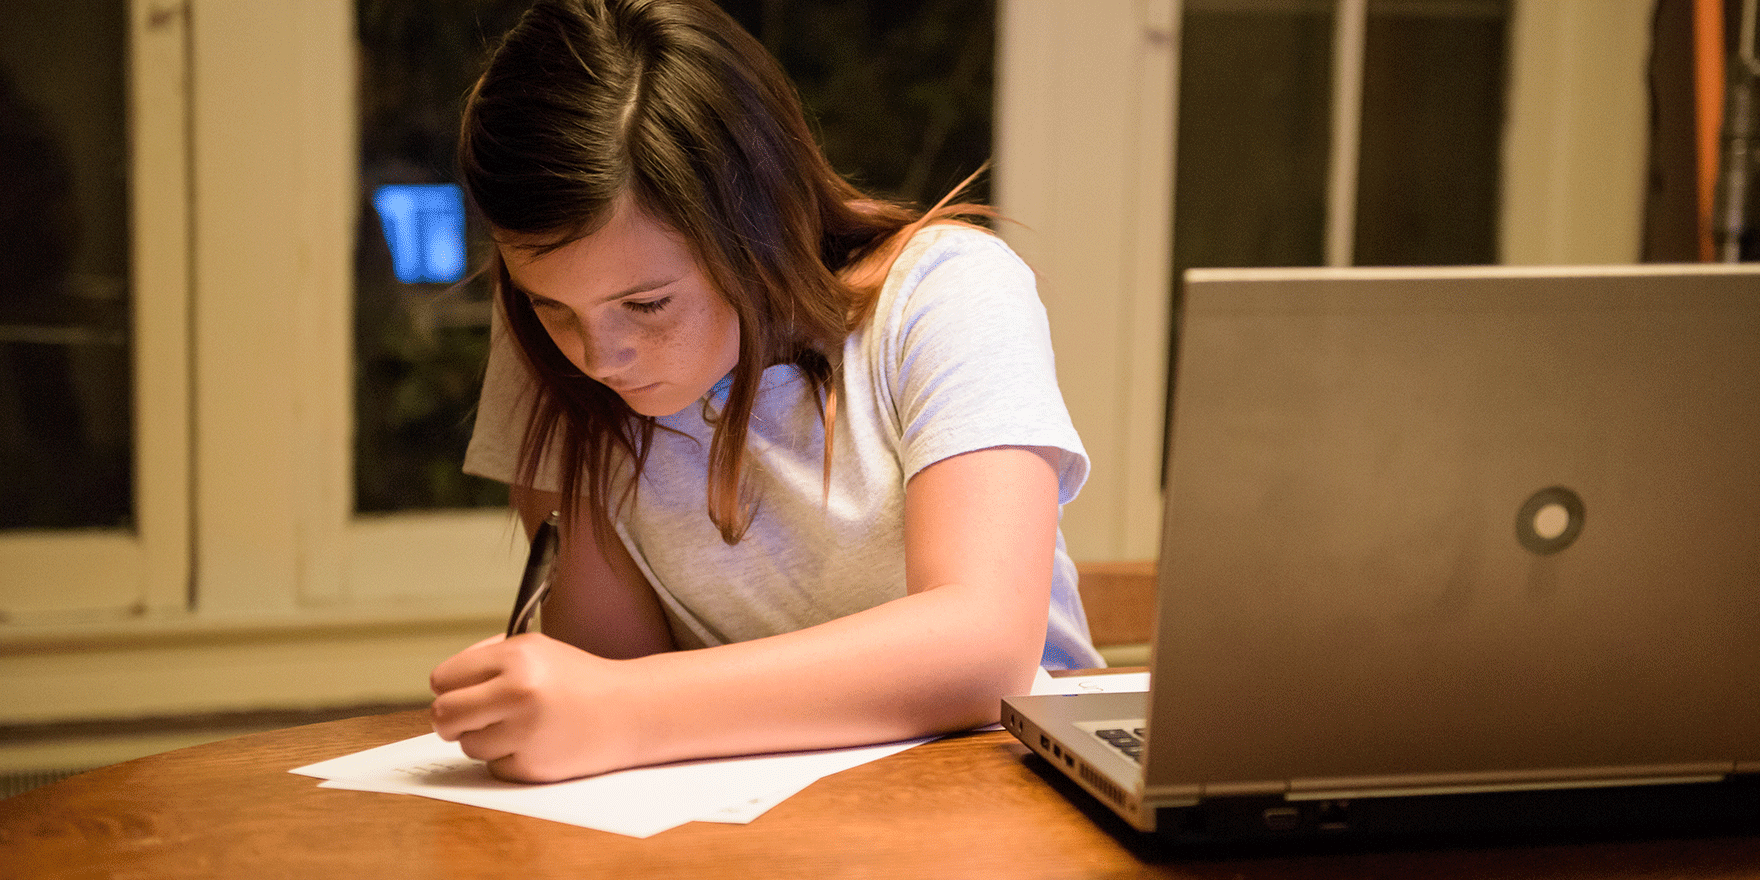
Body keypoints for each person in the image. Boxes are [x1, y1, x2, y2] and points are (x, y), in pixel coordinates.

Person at [428, 0, 1100, 783]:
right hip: (757, 808)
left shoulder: (945, 294)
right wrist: (559, 710)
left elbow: (986, 650)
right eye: (551, 305)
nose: (599, 356)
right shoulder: (555, 352)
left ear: (760, 229)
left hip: (1012, 786)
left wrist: (625, 708)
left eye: (647, 304)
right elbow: (607, 674)